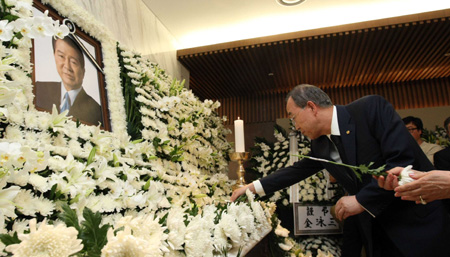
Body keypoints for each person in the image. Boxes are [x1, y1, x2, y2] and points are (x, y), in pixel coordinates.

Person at [230, 84, 450, 257]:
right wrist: (252, 187)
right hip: (377, 234)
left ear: (311, 107)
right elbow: (299, 170)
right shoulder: (320, 144)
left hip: (417, 225)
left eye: (293, 116)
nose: (295, 126)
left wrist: (361, 200)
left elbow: (402, 162)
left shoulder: (370, 109)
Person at [35, 36, 103, 125]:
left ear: (83, 71)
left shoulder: (97, 111)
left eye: (74, 62)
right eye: (61, 56)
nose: (67, 66)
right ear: (54, 55)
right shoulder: (38, 90)